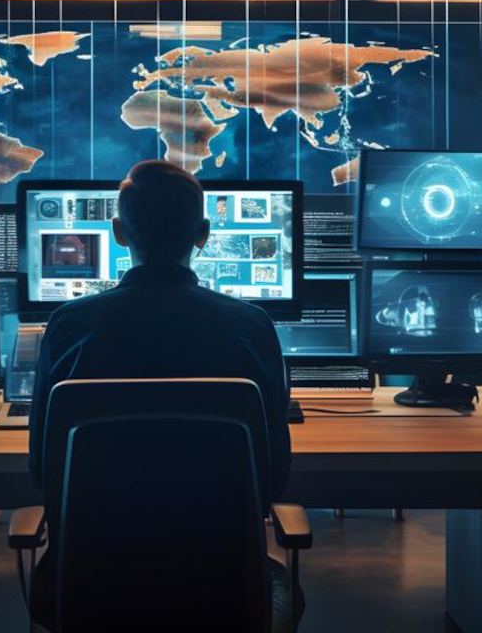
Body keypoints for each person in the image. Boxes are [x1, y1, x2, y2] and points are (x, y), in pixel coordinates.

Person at [26, 159, 296, 625]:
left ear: (117, 232)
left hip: (94, 585)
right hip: (221, 585)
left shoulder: (68, 326)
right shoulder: (252, 326)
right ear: (204, 233)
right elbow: (274, 475)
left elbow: (42, 469)